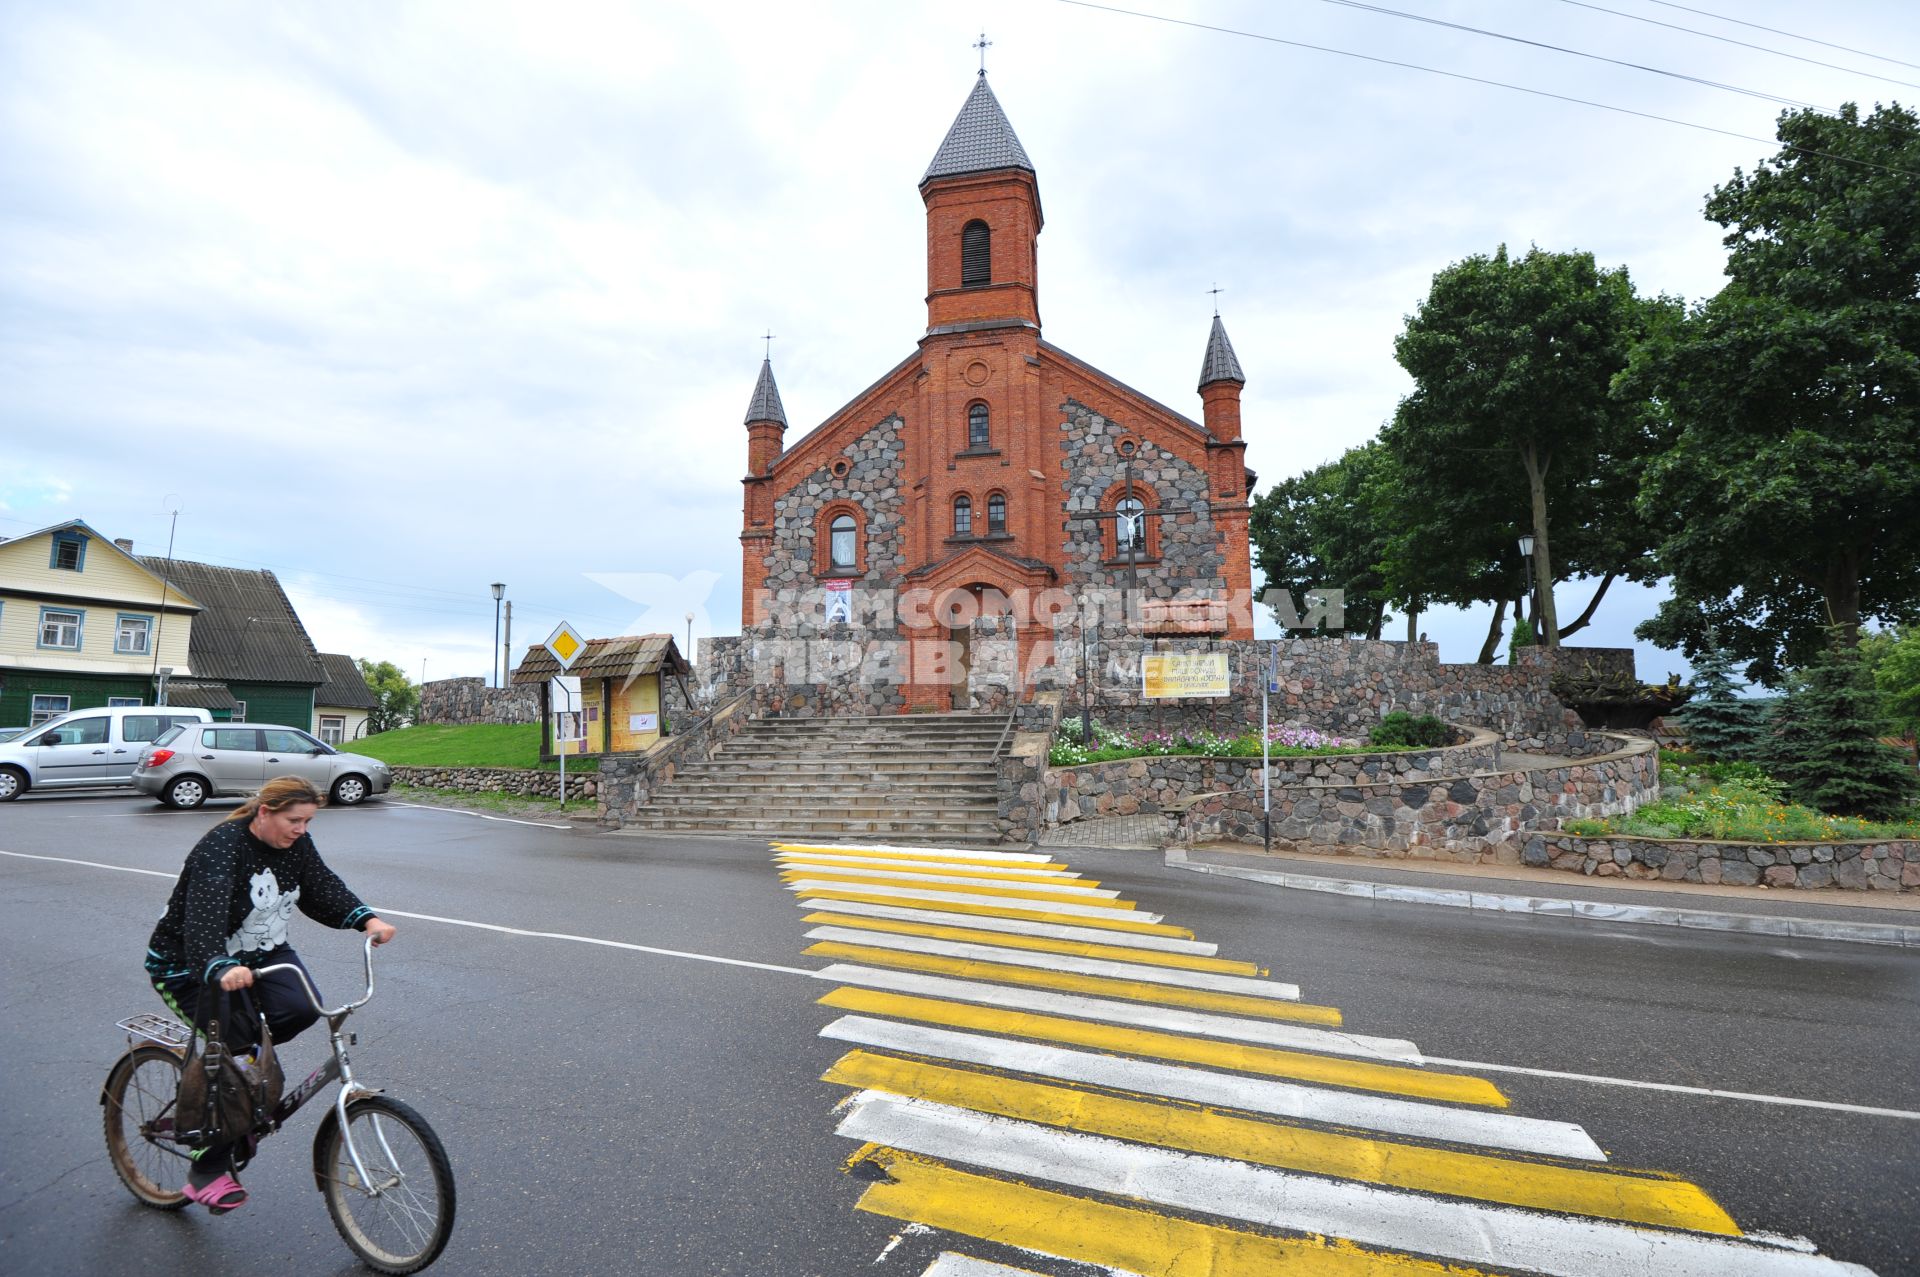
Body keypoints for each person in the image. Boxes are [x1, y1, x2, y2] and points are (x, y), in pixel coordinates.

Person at [144, 775, 397, 1214]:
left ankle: (240, 1072)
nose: (301, 830)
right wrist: (217, 965)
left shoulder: (296, 844)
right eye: (294, 820)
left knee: (300, 1010)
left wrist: (366, 920)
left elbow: (320, 886)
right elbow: (201, 922)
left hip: (262, 955)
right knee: (241, 1053)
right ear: (265, 812)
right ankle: (207, 1167)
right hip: (190, 965)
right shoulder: (222, 847)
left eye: (308, 822)